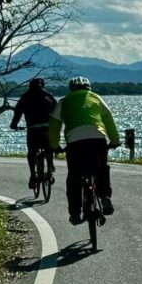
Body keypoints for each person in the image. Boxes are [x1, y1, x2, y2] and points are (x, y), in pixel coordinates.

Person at [56, 75, 120, 225]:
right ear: (89, 88)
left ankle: (75, 213)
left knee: (74, 177)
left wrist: (54, 145)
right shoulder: (96, 98)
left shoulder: (64, 102)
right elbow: (108, 119)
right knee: (101, 168)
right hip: (97, 140)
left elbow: (54, 124)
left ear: (71, 89)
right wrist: (115, 141)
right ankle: (105, 198)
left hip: (75, 143)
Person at [8, 77, 58, 192]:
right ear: (42, 85)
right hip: (47, 127)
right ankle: (50, 165)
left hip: (33, 129)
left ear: (30, 86)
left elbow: (18, 112)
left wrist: (14, 125)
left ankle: (33, 175)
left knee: (31, 152)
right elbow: (56, 109)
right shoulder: (48, 95)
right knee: (49, 147)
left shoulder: (25, 96)